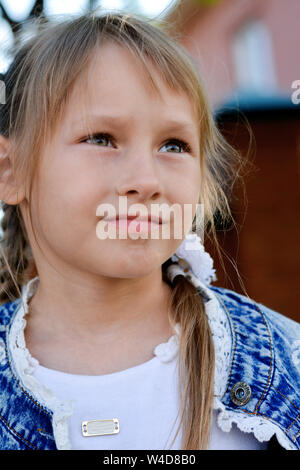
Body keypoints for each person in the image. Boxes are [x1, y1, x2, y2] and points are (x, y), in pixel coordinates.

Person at [0, 11, 299, 451]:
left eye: (173, 146)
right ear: (11, 171)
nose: (147, 179)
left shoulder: (287, 359)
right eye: (101, 138)